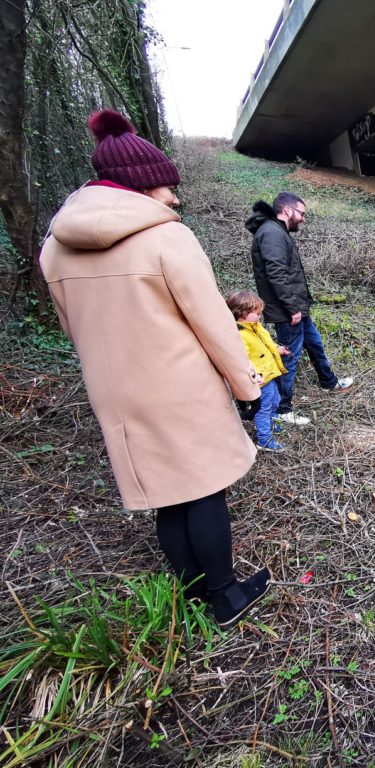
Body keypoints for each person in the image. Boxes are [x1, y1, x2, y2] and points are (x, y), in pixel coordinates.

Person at [39, 109, 271, 629]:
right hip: (180, 386)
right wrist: (246, 386)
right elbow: (213, 323)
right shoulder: (168, 238)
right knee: (205, 487)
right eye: (168, 186)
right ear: (142, 185)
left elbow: (72, 329)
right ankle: (226, 595)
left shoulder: (53, 249)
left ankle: (189, 593)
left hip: (115, 392)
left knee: (167, 494)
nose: (175, 196)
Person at [246, 192, 353, 425]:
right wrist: (292, 308)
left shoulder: (276, 231)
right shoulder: (272, 233)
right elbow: (276, 274)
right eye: (301, 213)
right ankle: (282, 409)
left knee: (314, 344)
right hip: (288, 312)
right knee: (289, 358)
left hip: (296, 309)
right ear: (287, 210)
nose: (303, 218)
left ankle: (328, 382)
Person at [226, 290, 291, 452]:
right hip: (260, 379)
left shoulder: (255, 326)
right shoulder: (239, 335)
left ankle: (268, 425)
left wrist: (277, 348)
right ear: (242, 313)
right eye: (257, 313)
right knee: (264, 408)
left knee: (275, 401)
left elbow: (265, 343)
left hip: (270, 374)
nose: (260, 316)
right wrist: (255, 375)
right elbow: (242, 360)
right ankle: (265, 440)